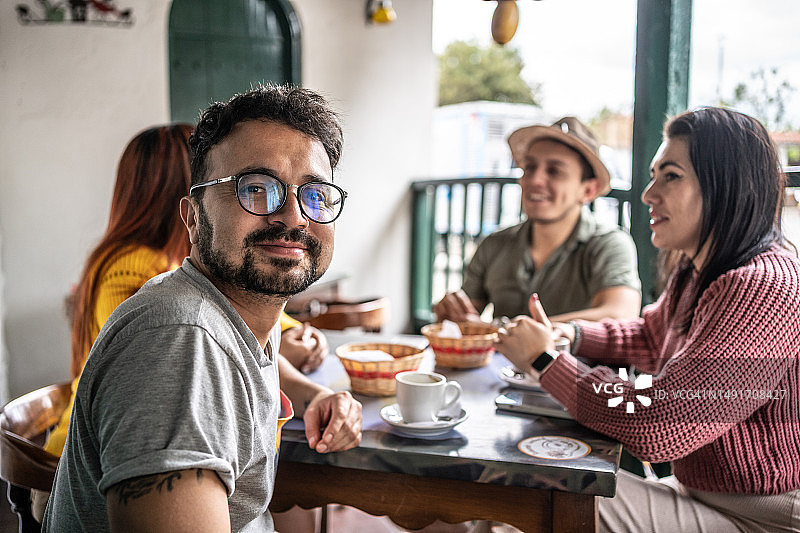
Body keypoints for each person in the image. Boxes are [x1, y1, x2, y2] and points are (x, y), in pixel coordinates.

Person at [43, 84, 362, 531]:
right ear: (192, 217)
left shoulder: (240, 320)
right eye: (256, 188)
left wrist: (317, 395)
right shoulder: (178, 341)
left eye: (315, 194)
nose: (293, 216)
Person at [496, 107, 800, 532]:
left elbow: (660, 424)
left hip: (762, 515)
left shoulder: (763, 286)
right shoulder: (698, 270)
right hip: (702, 491)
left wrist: (546, 362)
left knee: (538, 492)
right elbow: (650, 337)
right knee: (526, 488)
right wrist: (574, 335)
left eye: (670, 176)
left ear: (727, 185)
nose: (648, 193)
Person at [433, 117, 641, 324]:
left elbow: (620, 315)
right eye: (529, 168)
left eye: (555, 171)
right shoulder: (494, 244)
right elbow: (466, 315)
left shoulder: (608, 244)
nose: (535, 180)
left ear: (588, 190)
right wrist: (452, 312)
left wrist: (509, 330)